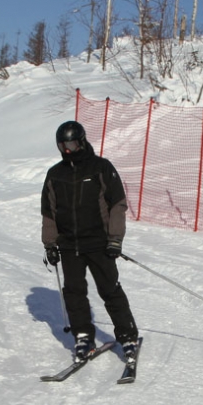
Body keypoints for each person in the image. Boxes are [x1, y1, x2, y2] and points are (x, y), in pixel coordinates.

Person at [42, 120, 140, 365]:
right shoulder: (55, 174)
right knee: (74, 293)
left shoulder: (101, 168)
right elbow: (49, 212)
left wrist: (115, 239)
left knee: (110, 290)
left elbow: (117, 205)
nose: (68, 150)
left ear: (82, 141)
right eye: (63, 145)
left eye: (72, 144)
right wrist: (50, 244)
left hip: (99, 242)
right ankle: (83, 334)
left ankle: (127, 336)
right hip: (68, 245)